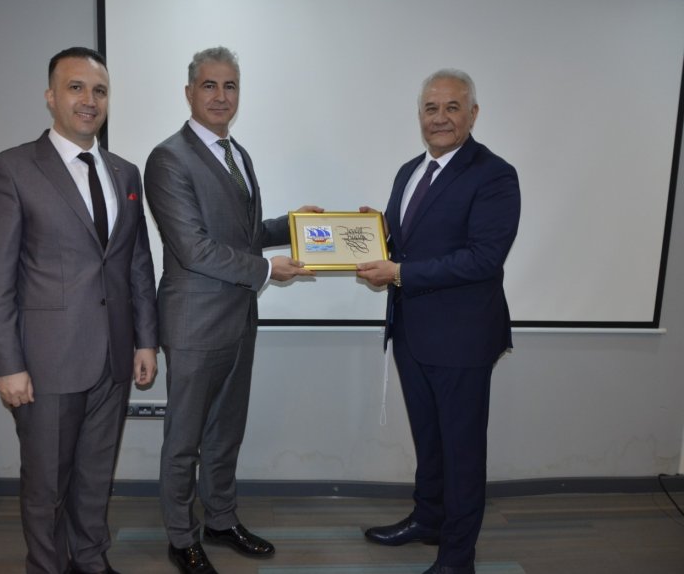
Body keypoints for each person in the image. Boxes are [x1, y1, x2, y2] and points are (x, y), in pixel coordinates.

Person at [0, 47, 158, 574]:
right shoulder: (12, 169)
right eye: (76, 87)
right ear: (51, 97)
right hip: (45, 364)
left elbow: (137, 263)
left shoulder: (125, 173)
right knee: (47, 485)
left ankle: (92, 561)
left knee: (96, 477)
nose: (89, 100)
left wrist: (146, 340)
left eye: (99, 91)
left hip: (114, 358)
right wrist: (6, 364)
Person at [144, 46, 321, 574]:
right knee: (185, 439)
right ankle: (181, 536)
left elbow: (241, 234)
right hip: (194, 324)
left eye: (230, 86)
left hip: (239, 318)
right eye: (209, 85)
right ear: (189, 93)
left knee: (225, 432)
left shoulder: (236, 153)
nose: (221, 96)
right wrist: (267, 270)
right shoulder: (168, 158)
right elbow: (194, 248)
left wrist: (292, 225)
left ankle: (220, 519)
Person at [356, 69, 520, 574]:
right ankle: (428, 519)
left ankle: (457, 559)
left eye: (453, 107)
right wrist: (366, 234)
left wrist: (399, 272)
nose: (441, 118)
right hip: (411, 332)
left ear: (473, 114)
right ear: (420, 116)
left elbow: (483, 258)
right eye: (431, 108)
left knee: (462, 452)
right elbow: (404, 244)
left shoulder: (494, 175)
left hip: (462, 339)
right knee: (429, 440)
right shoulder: (409, 171)